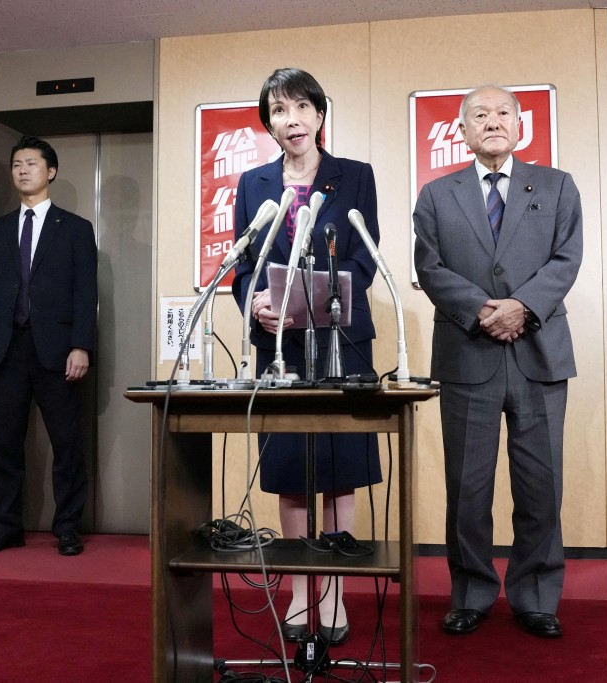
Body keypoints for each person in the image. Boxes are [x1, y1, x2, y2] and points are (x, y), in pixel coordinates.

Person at [413, 85, 582, 638]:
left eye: (502, 113)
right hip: (468, 353)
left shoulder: (557, 187)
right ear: (461, 130)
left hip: (538, 353)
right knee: (468, 486)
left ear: (520, 125)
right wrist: (483, 311)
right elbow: (431, 268)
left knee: (541, 483)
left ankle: (536, 595)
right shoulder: (437, 195)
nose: (492, 121)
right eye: (478, 115)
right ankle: (471, 592)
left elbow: (567, 258)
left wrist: (522, 308)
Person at [230, 68, 382, 645]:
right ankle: (298, 590)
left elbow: (365, 260)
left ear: (320, 114)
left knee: (341, 468)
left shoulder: (355, 177)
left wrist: (322, 298)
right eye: (277, 111)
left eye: (300, 108)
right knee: (292, 468)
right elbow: (244, 264)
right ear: (267, 122)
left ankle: (336, 591)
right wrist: (259, 304)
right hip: (280, 348)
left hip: (341, 340)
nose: (289, 121)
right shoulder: (253, 182)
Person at [0, 135, 98, 557]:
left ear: (50, 171)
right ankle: (7, 526)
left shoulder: (76, 229)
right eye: (16, 164)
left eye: (32, 163)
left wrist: (81, 346)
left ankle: (68, 527)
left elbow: (85, 293)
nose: (22, 170)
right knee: (4, 442)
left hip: (57, 351)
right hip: (4, 350)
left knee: (67, 444)